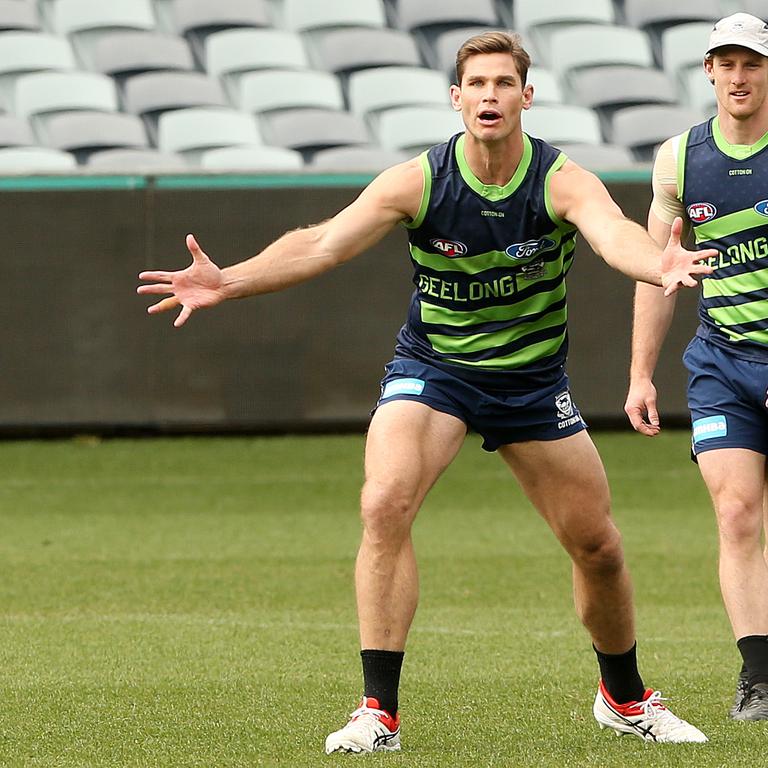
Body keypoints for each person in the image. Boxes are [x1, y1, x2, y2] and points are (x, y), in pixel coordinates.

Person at [139, 31, 711, 751]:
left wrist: (660, 265)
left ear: (526, 98)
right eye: (477, 84)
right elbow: (323, 242)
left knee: (597, 545)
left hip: (530, 384)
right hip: (435, 370)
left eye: (504, 84)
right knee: (384, 502)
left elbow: (614, 236)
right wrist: (231, 279)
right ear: (456, 98)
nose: (490, 96)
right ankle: (378, 712)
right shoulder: (420, 179)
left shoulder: (561, 180)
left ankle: (624, 699)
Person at [624, 12, 768, 722]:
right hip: (723, 362)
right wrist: (640, 375)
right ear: (708, 71)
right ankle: (760, 675)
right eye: (727, 63)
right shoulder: (678, 158)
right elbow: (658, 273)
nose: (739, 77)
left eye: (753, 63)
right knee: (737, 512)